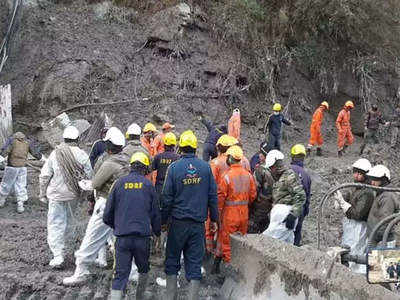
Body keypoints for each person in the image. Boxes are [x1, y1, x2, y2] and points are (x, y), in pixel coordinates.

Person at [63, 127, 128, 285]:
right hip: (123, 206)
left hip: (105, 204)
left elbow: (94, 184)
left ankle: (81, 270)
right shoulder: (126, 160)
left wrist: (82, 183)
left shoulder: (109, 163)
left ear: (108, 145)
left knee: (92, 238)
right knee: (121, 239)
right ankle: (130, 272)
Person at [161, 130, 218, 300]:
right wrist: (215, 219)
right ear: (195, 148)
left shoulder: (174, 168)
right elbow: (212, 196)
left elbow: (167, 198)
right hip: (197, 226)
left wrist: (163, 221)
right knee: (194, 265)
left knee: (172, 262)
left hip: (177, 224)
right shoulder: (205, 168)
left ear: (180, 148)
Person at [103, 152, 161, 300]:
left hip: (122, 237)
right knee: (143, 269)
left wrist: (117, 226)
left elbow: (107, 214)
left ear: (131, 167)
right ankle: (140, 295)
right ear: (145, 169)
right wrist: (157, 232)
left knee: (120, 274)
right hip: (142, 238)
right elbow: (155, 213)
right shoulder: (148, 185)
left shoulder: (118, 184)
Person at [39, 126, 93, 267]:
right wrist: (85, 196)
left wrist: (42, 193)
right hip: (73, 195)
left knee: (55, 223)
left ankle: (58, 255)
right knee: (69, 222)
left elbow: (44, 176)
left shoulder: (55, 153)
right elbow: (89, 177)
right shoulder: (82, 155)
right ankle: (67, 250)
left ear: (64, 138)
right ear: (77, 139)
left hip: (56, 195)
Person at [213, 145, 256, 273]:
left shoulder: (226, 177)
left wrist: (217, 215)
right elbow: (253, 195)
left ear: (230, 159)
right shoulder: (248, 175)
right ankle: (239, 266)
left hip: (230, 215)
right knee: (240, 242)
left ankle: (228, 271)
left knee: (227, 243)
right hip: (244, 214)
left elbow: (220, 199)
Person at [334, 158, 374, 274]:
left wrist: (343, 204)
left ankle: (354, 273)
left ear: (366, 175)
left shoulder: (367, 192)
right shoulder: (357, 187)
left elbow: (358, 214)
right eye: (355, 172)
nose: (356, 175)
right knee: (348, 246)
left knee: (355, 249)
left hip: (359, 227)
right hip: (352, 226)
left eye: (359, 173)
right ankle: (347, 269)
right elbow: (351, 197)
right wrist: (342, 198)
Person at [263, 150, 306, 244]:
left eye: (271, 168)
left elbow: (301, 195)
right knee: (287, 245)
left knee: (269, 242)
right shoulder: (279, 177)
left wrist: (293, 214)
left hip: (285, 215)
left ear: (275, 166)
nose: (270, 171)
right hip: (280, 214)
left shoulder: (289, 176)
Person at [205, 134, 238, 254]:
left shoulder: (215, 163)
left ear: (219, 147)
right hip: (232, 201)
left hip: (217, 199)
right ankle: (219, 256)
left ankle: (208, 252)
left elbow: (210, 183)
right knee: (223, 229)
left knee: (210, 226)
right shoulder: (241, 161)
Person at [0, 131, 43, 212]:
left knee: (6, 184)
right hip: (22, 167)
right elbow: (35, 153)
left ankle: (1, 201)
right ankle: (20, 205)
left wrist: (1, 159)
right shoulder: (27, 142)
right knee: (21, 185)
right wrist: (43, 159)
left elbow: (5, 151)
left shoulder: (12, 140)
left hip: (11, 167)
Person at [367, 165, 399, 247]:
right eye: (372, 180)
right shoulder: (381, 193)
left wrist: (376, 238)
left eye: (375, 180)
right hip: (377, 238)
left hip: (382, 240)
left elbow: (385, 221)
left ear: (383, 180)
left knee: (381, 259)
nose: (372, 183)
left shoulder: (387, 196)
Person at [290, 144, 311, 246]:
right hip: (300, 210)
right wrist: (305, 210)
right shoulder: (306, 175)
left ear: (292, 156)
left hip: (287, 208)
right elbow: (307, 196)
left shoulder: (287, 170)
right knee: (297, 234)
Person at [249, 146, 274, 234]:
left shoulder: (260, 170)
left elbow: (253, 190)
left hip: (258, 205)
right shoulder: (275, 169)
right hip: (269, 206)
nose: (259, 155)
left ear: (265, 156)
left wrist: (249, 203)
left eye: (261, 154)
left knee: (251, 229)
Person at [152, 132, 180, 205]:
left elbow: (150, 171)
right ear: (174, 145)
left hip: (159, 188)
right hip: (173, 188)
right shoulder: (178, 158)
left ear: (164, 145)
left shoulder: (158, 157)